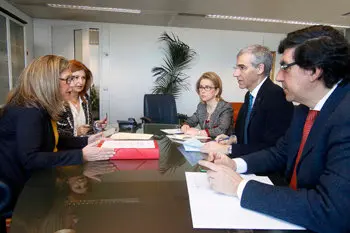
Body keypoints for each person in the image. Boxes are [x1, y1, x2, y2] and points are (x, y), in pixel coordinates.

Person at [199, 25, 350, 233]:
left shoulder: (346, 115)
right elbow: (280, 152)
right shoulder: (303, 108)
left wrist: (240, 187)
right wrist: (234, 164)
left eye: (286, 67)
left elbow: (331, 210)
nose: (278, 77)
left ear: (314, 71)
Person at [0, 55, 114, 209]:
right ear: (49, 81)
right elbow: (31, 159)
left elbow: (52, 140)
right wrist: (82, 155)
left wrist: (86, 141)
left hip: (37, 180)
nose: (72, 84)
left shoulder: (38, 106)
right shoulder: (29, 112)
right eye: (68, 79)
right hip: (22, 191)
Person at [202, 45, 293, 156]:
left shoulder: (277, 96)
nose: (235, 74)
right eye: (236, 68)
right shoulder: (249, 95)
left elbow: (273, 147)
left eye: (242, 68)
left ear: (260, 69)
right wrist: (233, 139)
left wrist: (228, 149)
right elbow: (248, 136)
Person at [57, 60, 107, 137]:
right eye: (76, 77)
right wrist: (76, 132)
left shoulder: (85, 98)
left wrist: (96, 125)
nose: (81, 82)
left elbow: (87, 125)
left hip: (84, 145)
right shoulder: (58, 101)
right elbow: (55, 133)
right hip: (66, 148)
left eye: (83, 78)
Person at [181, 72, 233, 138]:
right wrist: (186, 125)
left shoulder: (225, 107)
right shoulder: (201, 106)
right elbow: (191, 121)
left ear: (216, 91)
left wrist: (199, 132)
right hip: (206, 144)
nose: (202, 91)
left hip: (223, 145)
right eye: (201, 87)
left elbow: (221, 130)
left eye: (207, 87)